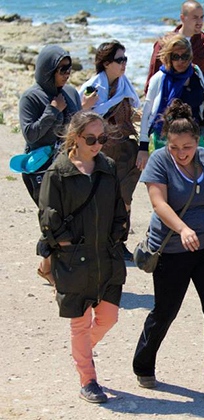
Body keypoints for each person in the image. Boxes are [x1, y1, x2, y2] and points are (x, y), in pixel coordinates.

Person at [132, 99, 204, 402]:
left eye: (187, 147)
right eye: (175, 147)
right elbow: (159, 203)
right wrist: (183, 229)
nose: (181, 154)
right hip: (172, 248)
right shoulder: (160, 161)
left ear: (197, 142)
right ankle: (143, 363)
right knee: (165, 311)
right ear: (166, 143)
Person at [38, 111, 128, 403]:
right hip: (73, 261)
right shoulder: (58, 172)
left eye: (102, 138)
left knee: (108, 318)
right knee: (79, 323)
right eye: (91, 138)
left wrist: (118, 234)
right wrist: (67, 245)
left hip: (106, 258)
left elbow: (118, 207)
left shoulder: (108, 167)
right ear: (75, 137)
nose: (98, 144)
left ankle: (81, 352)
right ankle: (88, 379)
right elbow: (49, 217)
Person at [18, 45, 82, 286]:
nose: (67, 73)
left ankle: (46, 266)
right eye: (62, 69)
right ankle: (54, 270)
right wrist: (52, 110)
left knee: (70, 218)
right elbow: (31, 134)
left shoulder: (72, 93)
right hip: (40, 170)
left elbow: (77, 126)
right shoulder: (31, 97)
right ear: (47, 71)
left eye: (70, 68)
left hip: (69, 166)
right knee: (54, 219)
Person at [79, 40, 141, 260]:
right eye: (119, 60)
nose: (124, 64)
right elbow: (79, 119)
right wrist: (86, 108)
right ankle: (100, 243)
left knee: (125, 198)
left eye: (125, 59)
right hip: (102, 152)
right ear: (105, 63)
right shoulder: (93, 88)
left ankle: (119, 242)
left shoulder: (125, 85)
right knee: (101, 199)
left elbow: (135, 110)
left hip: (126, 149)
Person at [144, 0, 204, 136]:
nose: (199, 21)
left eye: (202, 17)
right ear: (183, 18)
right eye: (195, 17)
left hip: (195, 111)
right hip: (168, 113)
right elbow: (153, 78)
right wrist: (149, 115)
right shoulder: (165, 43)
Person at [138, 33, 204, 170]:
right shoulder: (159, 79)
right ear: (169, 58)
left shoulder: (196, 73)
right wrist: (143, 147)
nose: (181, 61)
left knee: (196, 179)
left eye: (185, 56)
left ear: (190, 56)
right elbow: (147, 112)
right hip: (166, 140)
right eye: (176, 57)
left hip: (195, 137)